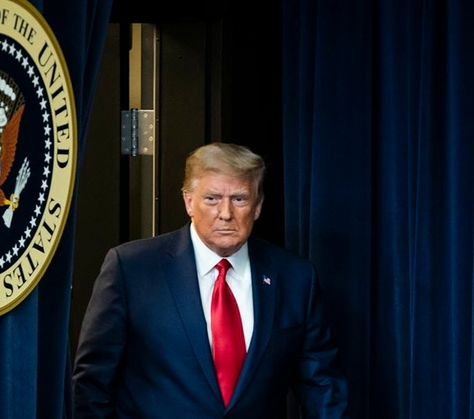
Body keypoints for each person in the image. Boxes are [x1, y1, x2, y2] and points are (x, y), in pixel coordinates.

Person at [73, 142, 348, 418]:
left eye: (239, 199)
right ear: (189, 202)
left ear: (258, 207)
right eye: (212, 198)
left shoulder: (295, 277)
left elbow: (322, 386)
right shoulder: (132, 268)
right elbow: (92, 385)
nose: (226, 213)